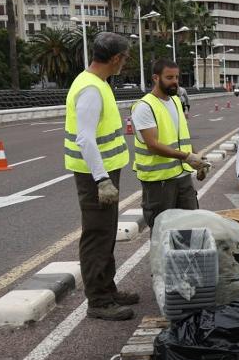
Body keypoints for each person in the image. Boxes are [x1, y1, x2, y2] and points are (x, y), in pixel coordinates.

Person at [64, 32, 138, 321]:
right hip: (95, 176)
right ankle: (98, 301)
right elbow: (85, 139)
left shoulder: (99, 83)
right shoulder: (91, 89)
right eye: (125, 58)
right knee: (97, 236)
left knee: (106, 233)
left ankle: (108, 289)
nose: (125, 63)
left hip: (104, 173)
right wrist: (101, 180)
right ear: (116, 58)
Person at [132, 58, 208, 229]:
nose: (175, 82)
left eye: (177, 77)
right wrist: (187, 157)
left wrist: (197, 161)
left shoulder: (175, 101)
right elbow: (152, 144)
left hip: (183, 178)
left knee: (191, 227)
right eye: (169, 77)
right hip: (160, 182)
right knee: (164, 231)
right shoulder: (145, 106)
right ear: (155, 78)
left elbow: (183, 138)